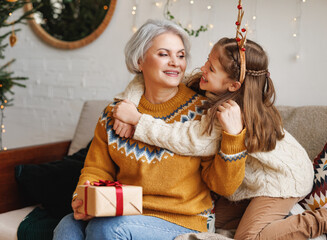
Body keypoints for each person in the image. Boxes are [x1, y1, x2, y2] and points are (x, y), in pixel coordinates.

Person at [112, 30, 327, 240]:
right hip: (257, 182)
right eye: (207, 60)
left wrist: (138, 121)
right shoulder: (204, 82)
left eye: (211, 68)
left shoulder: (229, 112)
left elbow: (188, 139)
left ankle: (321, 219)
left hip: (284, 180)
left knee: (248, 237)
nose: (203, 68)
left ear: (232, 85)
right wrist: (129, 104)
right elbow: (148, 77)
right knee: (213, 220)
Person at [53, 19, 248, 240]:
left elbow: (223, 186)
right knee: (67, 225)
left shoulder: (203, 113)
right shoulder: (115, 113)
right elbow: (97, 170)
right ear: (139, 61)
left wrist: (233, 139)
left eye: (181, 55)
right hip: (125, 212)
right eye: (164, 54)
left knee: (108, 229)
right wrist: (83, 198)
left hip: (183, 220)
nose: (176, 62)